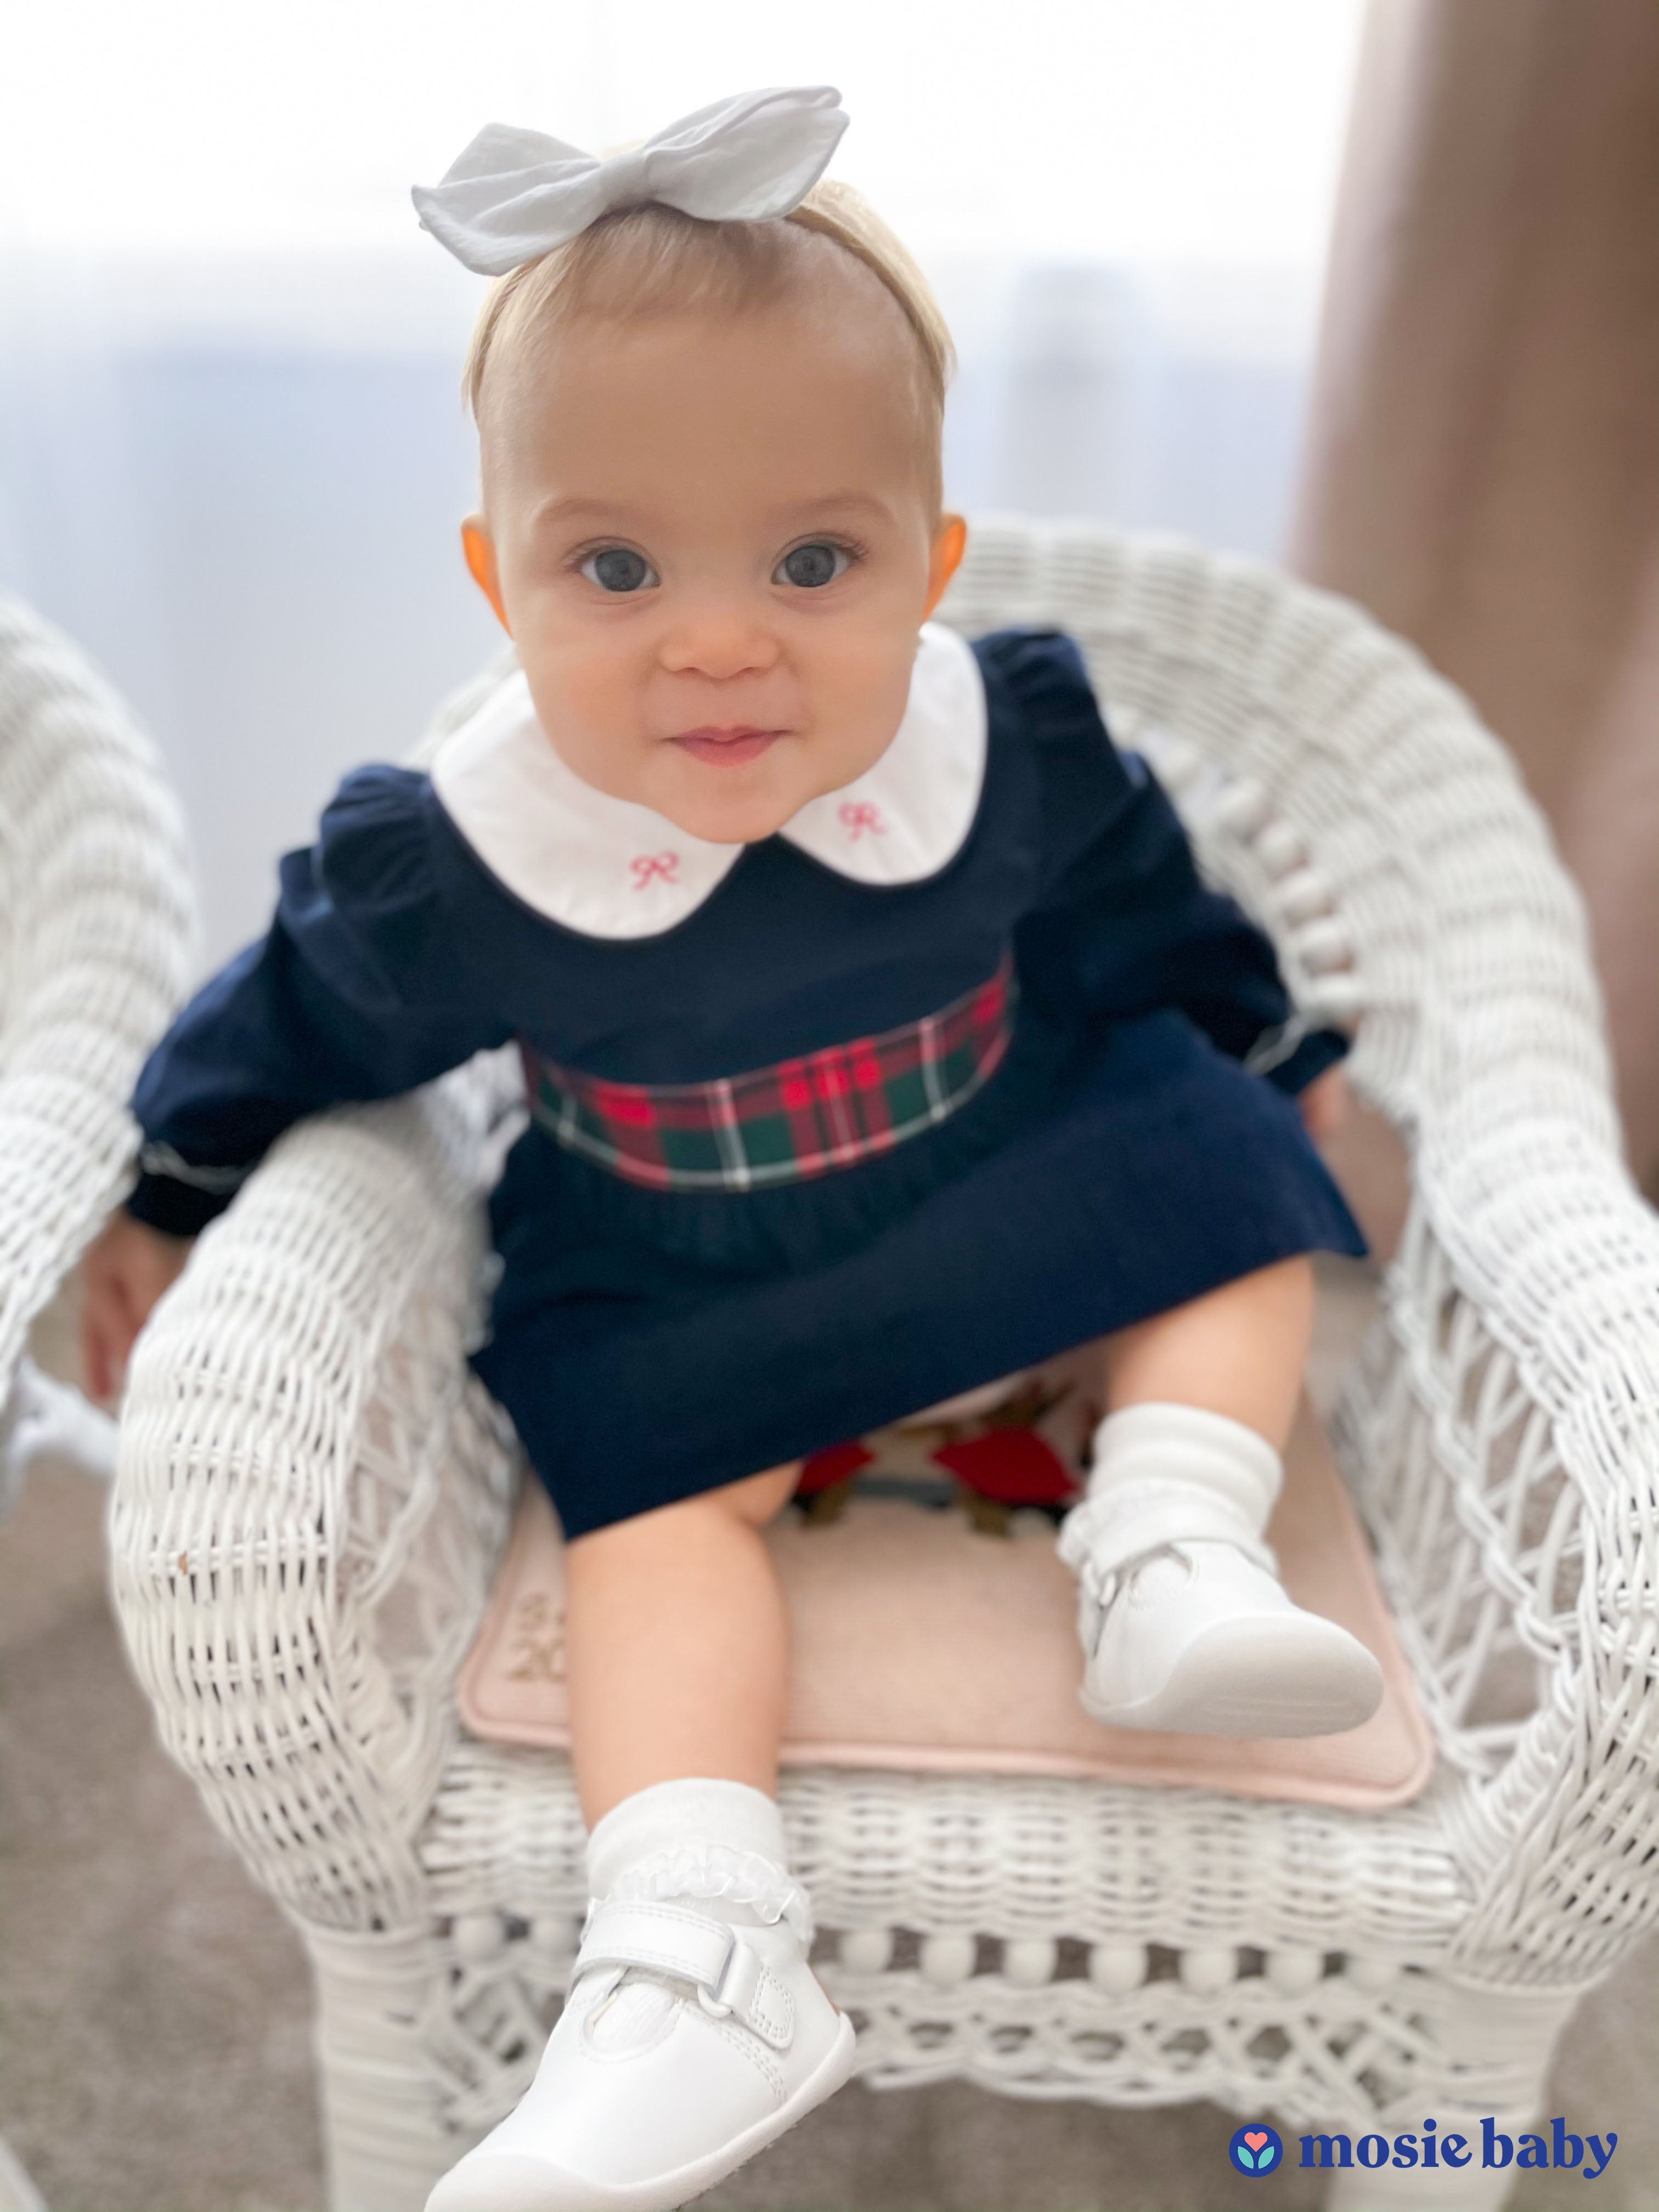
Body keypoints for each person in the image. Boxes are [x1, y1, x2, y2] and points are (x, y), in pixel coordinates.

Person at [81, 86, 1384, 2212]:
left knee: (1224, 1178)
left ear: (928, 565)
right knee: (654, 1517)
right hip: (694, 1264)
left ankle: (1171, 1538)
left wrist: (1271, 1037)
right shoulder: (464, 862)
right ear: (501, 583)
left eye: (813, 561)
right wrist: (169, 1182)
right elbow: (288, 1010)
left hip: (998, 1147)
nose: (719, 638)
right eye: (616, 565)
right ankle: (696, 1947)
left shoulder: (1007, 739)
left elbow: (1146, 905)